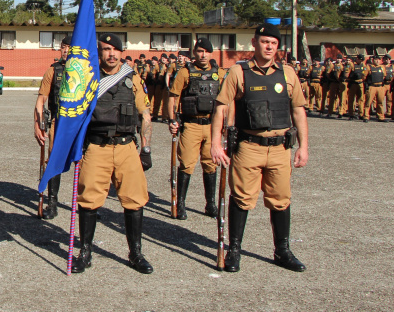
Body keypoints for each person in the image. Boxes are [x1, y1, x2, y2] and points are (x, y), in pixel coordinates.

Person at [210, 23, 309, 273]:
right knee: (242, 199)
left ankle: (282, 251)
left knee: (281, 200)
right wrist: (215, 144)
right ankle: (234, 250)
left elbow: (298, 110)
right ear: (254, 43)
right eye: (264, 42)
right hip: (249, 147)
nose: (269, 46)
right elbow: (221, 107)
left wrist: (304, 147)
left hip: (279, 148)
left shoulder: (287, 73)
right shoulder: (238, 72)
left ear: (278, 46)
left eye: (273, 43)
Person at [70, 33, 153, 275]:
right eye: (106, 49)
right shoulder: (89, 78)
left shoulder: (133, 78)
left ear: (122, 51)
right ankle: (85, 252)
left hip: (127, 147)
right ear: (100, 52)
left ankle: (135, 253)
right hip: (96, 148)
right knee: (89, 201)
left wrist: (146, 149)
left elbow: (145, 114)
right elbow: (74, 113)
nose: (111, 54)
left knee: (134, 200)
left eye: (115, 49)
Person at [167, 38, 224, 219]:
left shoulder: (220, 73)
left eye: (206, 51)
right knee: (187, 164)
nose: (203, 54)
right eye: (199, 51)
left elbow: (226, 101)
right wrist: (171, 119)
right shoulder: (185, 73)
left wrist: (227, 125)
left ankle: (210, 204)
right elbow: (172, 97)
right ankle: (181, 204)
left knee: (211, 164)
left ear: (211, 53)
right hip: (191, 124)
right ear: (194, 52)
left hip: (212, 126)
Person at [33, 35, 70, 219]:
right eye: (63, 47)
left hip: (79, 124)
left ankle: (88, 204)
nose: (65, 50)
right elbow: (41, 100)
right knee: (54, 162)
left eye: (69, 47)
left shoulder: (86, 72)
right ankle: (52, 203)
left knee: (87, 164)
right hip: (58, 121)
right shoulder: (53, 71)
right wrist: (37, 125)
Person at [365, 55, 386, 122]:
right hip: (372, 86)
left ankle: (381, 117)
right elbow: (364, 76)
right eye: (376, 59)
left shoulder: (382, 67)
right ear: (373, 60)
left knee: (380, 102)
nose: (377, 61)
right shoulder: (369, 67)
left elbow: (384, 76)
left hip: (380, 87)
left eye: (378, 59)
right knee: (368, 102)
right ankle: (366, 116)